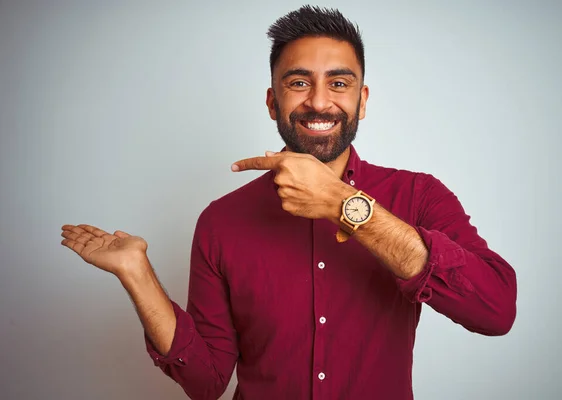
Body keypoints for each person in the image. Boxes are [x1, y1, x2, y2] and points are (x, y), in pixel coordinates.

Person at [60, 5, 517, 400]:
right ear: (272, 102)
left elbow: (496, 310)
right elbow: (206, 382)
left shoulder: (419, 196)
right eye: (299, 82)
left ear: (362, 101)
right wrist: (137, 274)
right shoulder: (221, 222)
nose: (319, 102)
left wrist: (343, 204)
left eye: (339, 84)